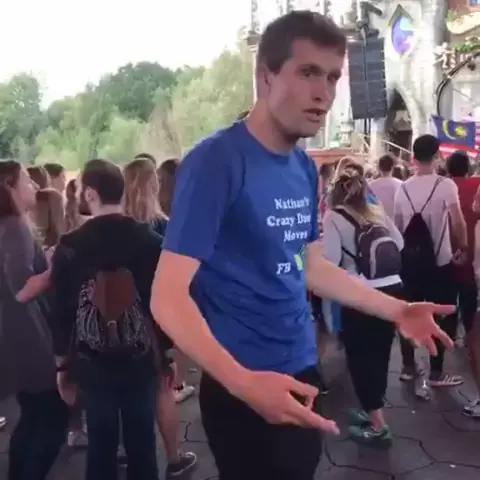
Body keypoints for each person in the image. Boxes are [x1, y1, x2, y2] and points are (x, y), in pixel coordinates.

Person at [151, 11, 454, 480]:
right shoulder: (215, 161)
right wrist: (244, 384)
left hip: (301, 367)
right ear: (265, 76)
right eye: (308, 72)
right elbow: (167, 297)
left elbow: (311, 266)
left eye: (332, 77)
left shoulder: (302, 167)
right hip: (244, 383)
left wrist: (397, 310)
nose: (324, 93)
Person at [50, 159, 161, 480]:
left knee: (100, 442)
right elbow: (160, 304)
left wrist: (62, 365)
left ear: (90, 193)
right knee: (143, 441)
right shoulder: (150, 240)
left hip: (92, 360)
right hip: (141, 357)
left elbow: (62, 311)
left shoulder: (71, 246)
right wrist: (167, 356)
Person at [123, 158, 197, 477]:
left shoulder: (115, 226)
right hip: (155, 323)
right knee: (163, 390)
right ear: (154, 185)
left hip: (118, 323)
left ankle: (127, 452)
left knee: (126, 393)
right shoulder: (164, 227)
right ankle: (174, 457)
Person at [323, 163, 403, 446]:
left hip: (359, 295)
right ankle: (373, 408)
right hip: (392, 290)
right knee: (380, 354)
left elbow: (331, 260)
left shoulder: (333, 216)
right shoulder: (375, 210)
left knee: (360, 358)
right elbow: (399, 243)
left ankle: (379, 425)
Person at [0, 160, 69, 480]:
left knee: (31, 416)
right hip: (28, 334)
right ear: (9, 188)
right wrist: (56, 267)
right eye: (27, 180)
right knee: (52, 416)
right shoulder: (15, 227)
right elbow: (22, 288)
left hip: (12, 334)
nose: (35, 185)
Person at [394, 134, 467, 386]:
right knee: (442, 314)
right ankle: (436, 372)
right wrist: (463, 247)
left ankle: (408, 367)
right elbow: (458, 222)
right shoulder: (445, 185)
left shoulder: (403, 188)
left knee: (408, 313)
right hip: (441, 262)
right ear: (437, 156)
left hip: (411, 264)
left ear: (413, 157)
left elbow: (398, 228)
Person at [445, 151, 480, 416]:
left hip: (447, 257)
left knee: (448, 304)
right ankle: (468, 336)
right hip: (471, 263)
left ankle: (451, 338)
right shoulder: (475, 184)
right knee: (470, 308)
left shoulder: (444, 186)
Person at [369, 153, 403, 219]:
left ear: (379, 167)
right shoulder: (401, 185)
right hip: (395, 222)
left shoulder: (370, 186)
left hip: (377, 221)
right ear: (393, 167)